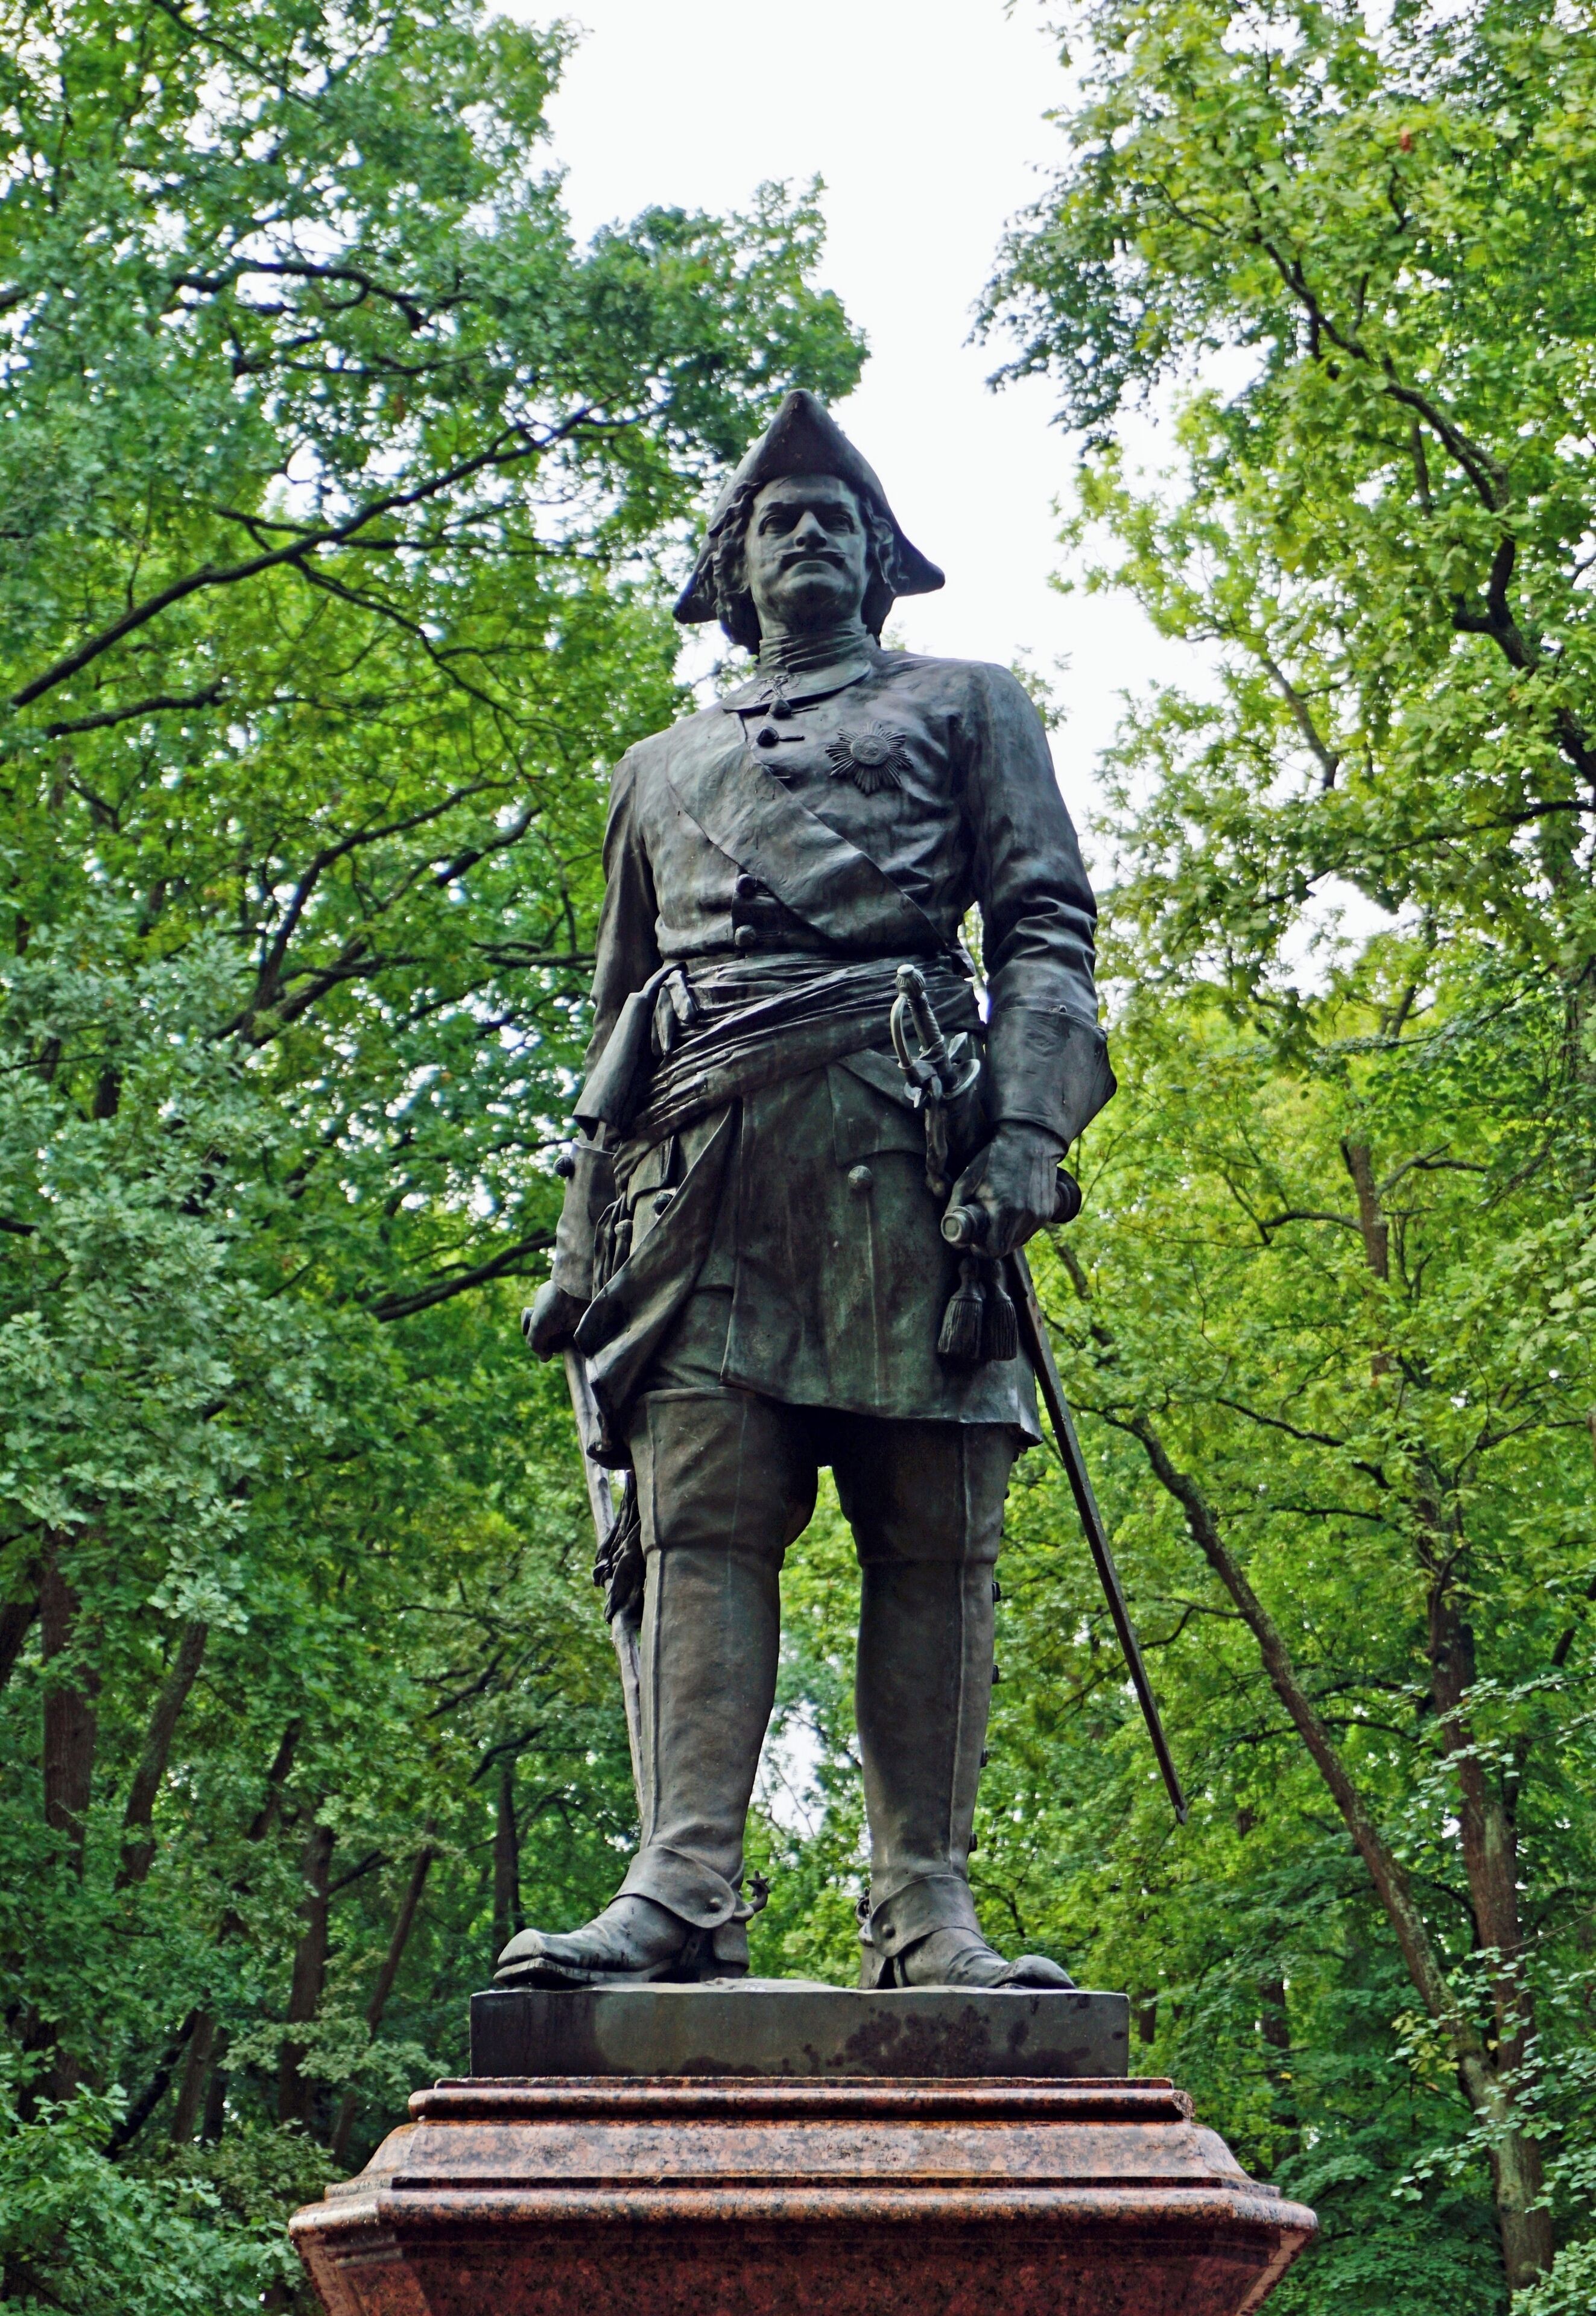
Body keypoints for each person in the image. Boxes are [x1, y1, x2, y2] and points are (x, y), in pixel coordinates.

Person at [501, 391, 1113, 1990]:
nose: (809, 534)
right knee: (698, 1520)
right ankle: (682, 1888)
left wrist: (1027, 1136)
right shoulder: (656, 770)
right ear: (734, 568)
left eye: (837, 516)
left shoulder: (970, 706)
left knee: (933, 1529)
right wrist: (584, 1238)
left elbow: (1045, 928)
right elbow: (617, 1017)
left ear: (882, 559)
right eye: (777, 519)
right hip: (700, 1185)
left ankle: (926, 1907)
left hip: (908, 1154)